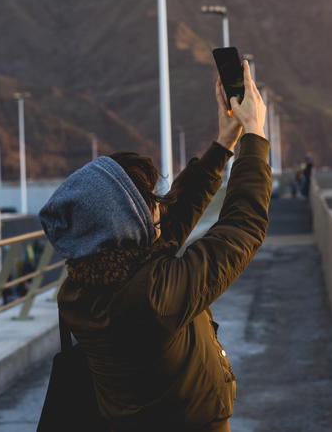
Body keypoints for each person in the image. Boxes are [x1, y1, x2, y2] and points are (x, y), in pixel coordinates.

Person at [37, 60, 270, 431]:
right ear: (128, 227)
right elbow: (243, 227)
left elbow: (169, 225)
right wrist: (255, 135)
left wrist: (224, 143)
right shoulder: (153, 297)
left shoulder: (85, 286)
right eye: (151, 199)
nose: (160, 204)